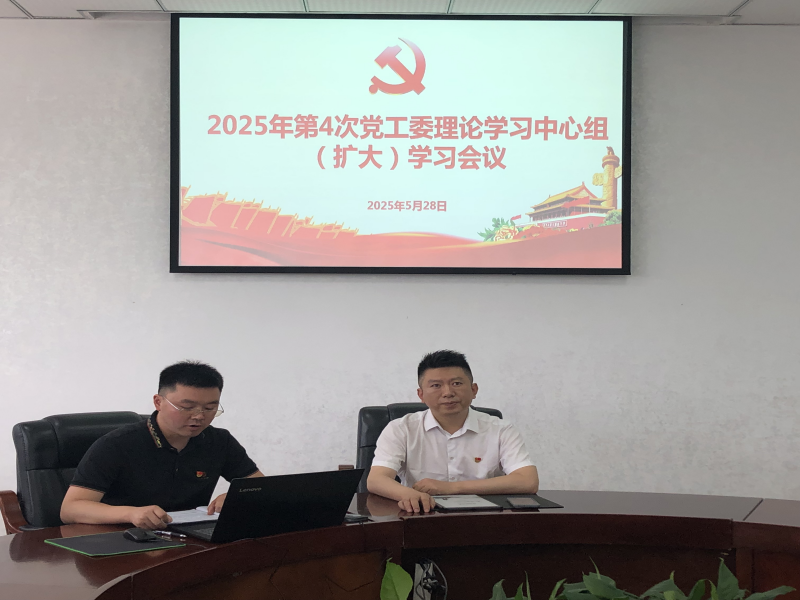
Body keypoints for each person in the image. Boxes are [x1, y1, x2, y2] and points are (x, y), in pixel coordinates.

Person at [60, 361, 264, 529]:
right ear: (158, 402)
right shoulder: (117, 445)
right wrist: (131, 513)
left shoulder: (219, 441)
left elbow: (262, 487)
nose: (199, 416)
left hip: (189, 537)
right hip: (124, 537)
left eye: (210, 408)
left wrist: (237, 497)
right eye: (187, 407)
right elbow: (70, 509)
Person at [367, 350, 538, 513]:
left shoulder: (501, 429)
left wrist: (450, 488)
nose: (448, 393)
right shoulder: (401, 428)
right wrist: (408, 495)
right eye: (436, 385)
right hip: (422, 514)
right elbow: (376, 479)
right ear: (421, 395)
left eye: (456, 383)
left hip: (487, 517)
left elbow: (527, 481)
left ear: (474, 390)